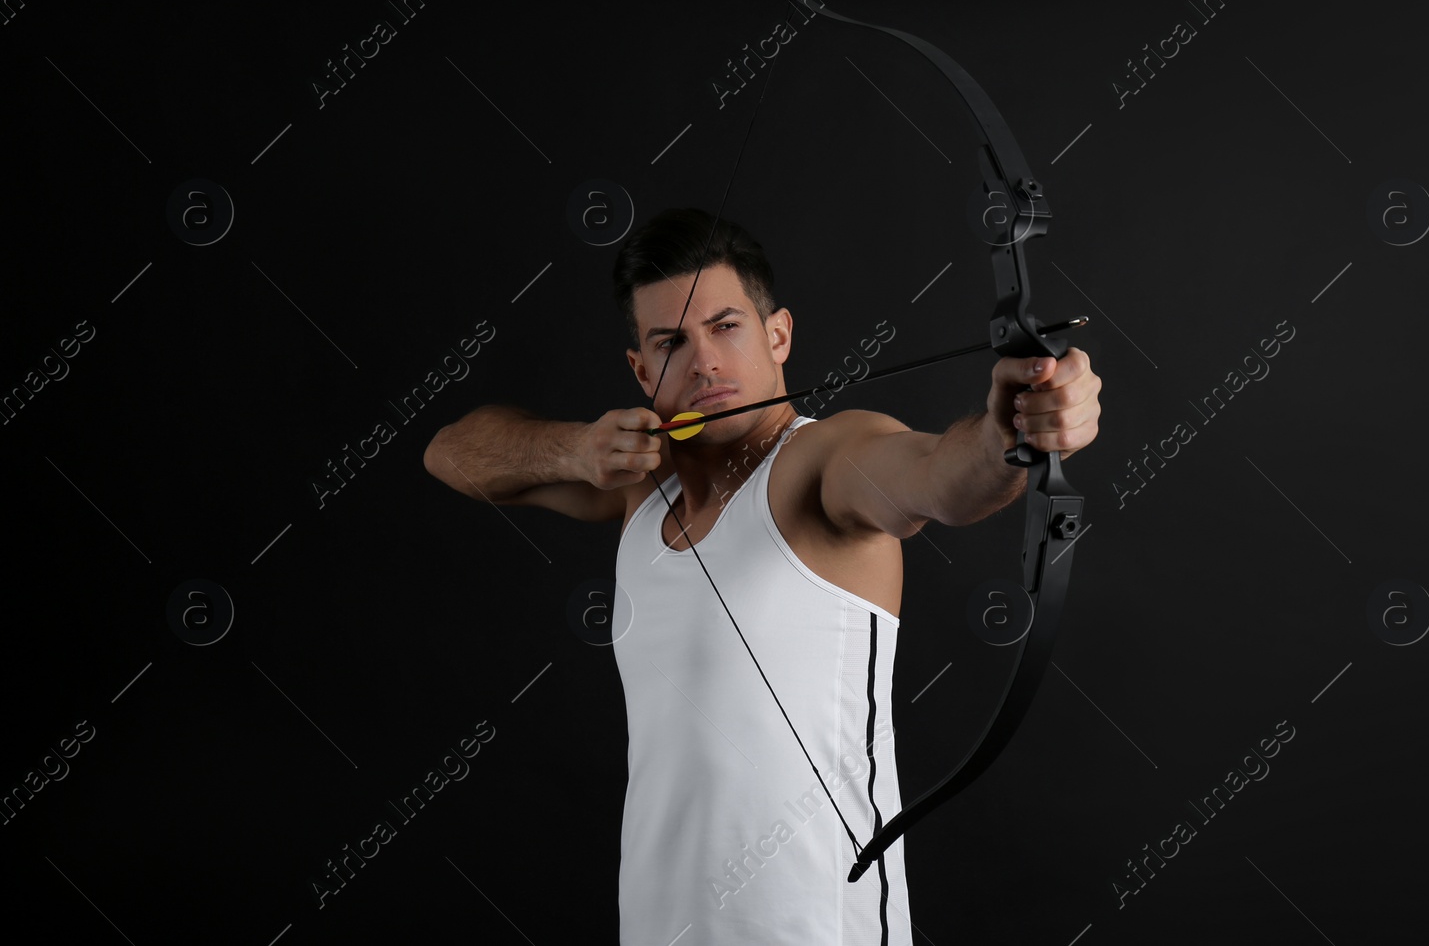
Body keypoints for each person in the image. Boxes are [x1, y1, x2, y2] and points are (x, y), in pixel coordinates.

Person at [423, 208, 1102, 944]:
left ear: (777, 334)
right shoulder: (636, 487)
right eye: (671, 342)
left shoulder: (824, 463)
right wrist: (574, 448)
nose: (705, 362)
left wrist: (1011, 431)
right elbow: (452, 453)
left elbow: (939, 476)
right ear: (641, 370)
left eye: (725, 326)